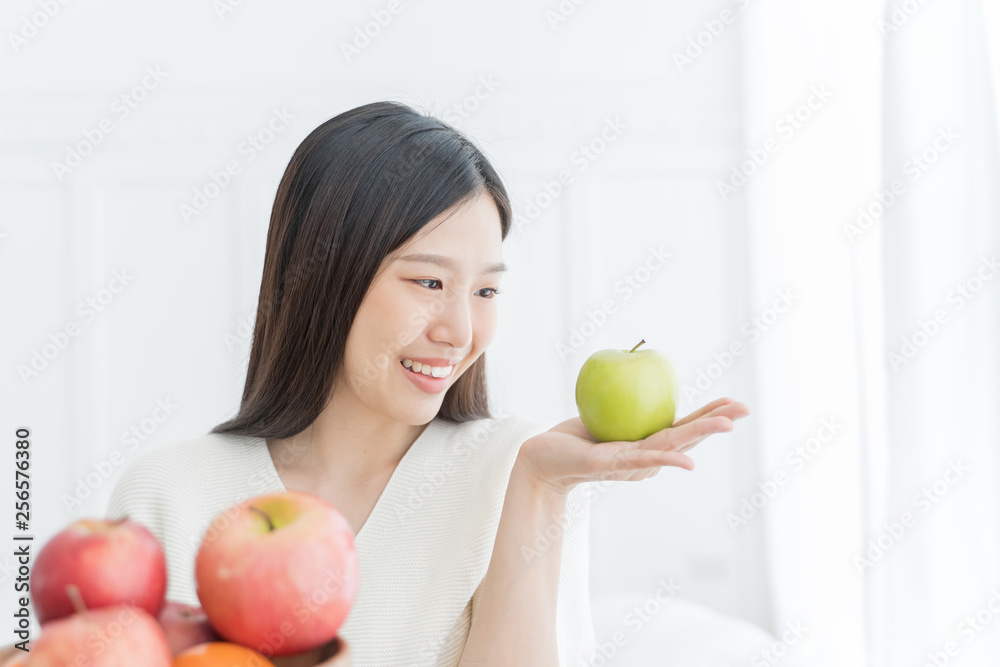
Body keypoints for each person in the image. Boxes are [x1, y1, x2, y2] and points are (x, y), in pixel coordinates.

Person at [101, 100, 750, 666]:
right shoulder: (168, 494)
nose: (460, 329)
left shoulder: (520, 472)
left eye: (486, 289)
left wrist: (535, 488)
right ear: (326, 274)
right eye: (429, 283)